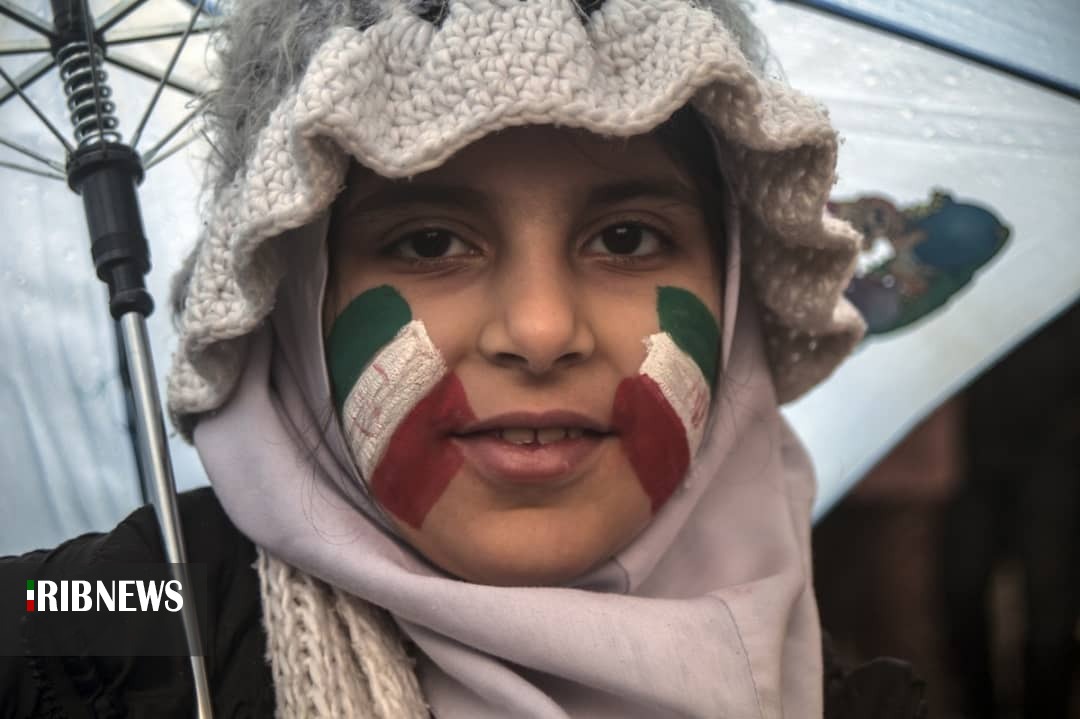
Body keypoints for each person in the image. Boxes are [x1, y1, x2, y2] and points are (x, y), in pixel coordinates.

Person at [2, 1, 927, 716]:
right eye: (430, 242)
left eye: (627, 237)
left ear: (731, 298)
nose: (540, 330)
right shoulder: (124, 615)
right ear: (293, 298)